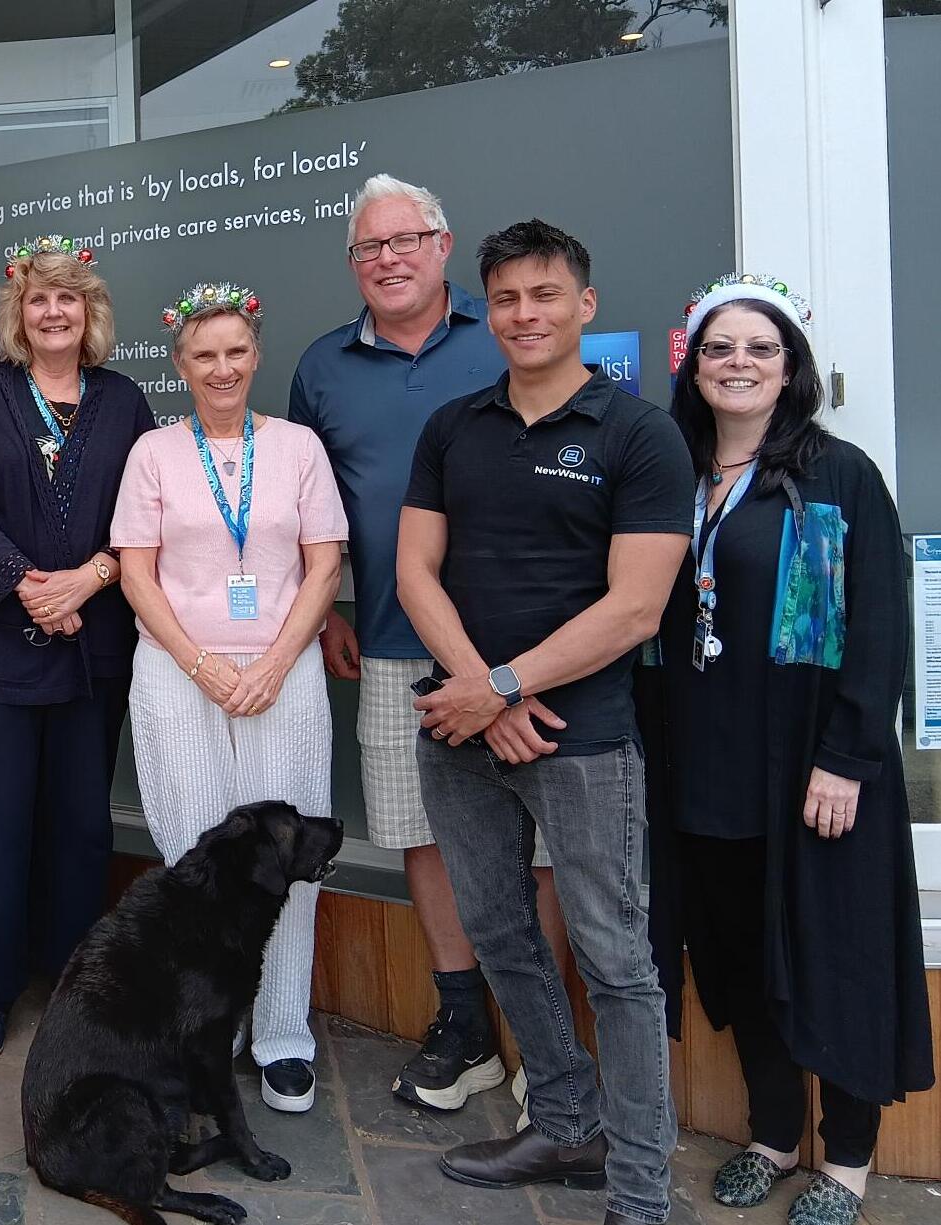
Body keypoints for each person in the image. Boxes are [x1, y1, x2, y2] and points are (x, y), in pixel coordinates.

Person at [396, 220, 692, 1225]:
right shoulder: (452, 427)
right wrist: (482, 692)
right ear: (489, 309)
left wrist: (508, 687)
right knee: (498, 933)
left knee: (616, 962)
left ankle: (642, 1192)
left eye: (545, 294)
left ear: (584, 305)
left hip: (584, 737)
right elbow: (412, 572)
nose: (526, 314)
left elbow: (635, 607)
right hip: (460, 727)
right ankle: (566, 1126)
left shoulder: (638, 433)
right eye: (509, 298)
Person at [646, 275, 933, 1225]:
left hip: (814, 768)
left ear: (789, 368)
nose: (738, 364)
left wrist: (848, 757)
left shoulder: (835, 471)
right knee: (734, 955)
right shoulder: (669, 471)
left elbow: (879, 626)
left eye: (759, 349)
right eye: (720, 347)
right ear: (692, 363)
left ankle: (846, 1161)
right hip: (705, 767)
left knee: (832, 954)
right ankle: (772, 1133)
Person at [290, 173, 569, 1114]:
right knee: (419, 833)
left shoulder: (503, 339)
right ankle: (466, 1026)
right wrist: (329, 606)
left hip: (522, 647)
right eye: (369, 247)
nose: (389, 258)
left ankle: (545, 1049)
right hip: (391, 641)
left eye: (406, 240)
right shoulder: (321, 365)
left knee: (536, 845)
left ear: (444, 246)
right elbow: (312, 507)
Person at [113, 281, 348, 1115]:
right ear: (180, 363)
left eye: (235, 352)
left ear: (255, 355)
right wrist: (201, 661)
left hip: (282, 676)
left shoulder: (296, 447)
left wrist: (277, 658)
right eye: (203, 354)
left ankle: (283, 1033)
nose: (221, 368)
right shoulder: (151, 452)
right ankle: (205, 1025)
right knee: (196, 862)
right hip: (178, 675)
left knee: (286, 860)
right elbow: (135, 570)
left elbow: (323, 564)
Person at [0, 236, 154, 1063]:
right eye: (39, 299)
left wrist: (91, 577)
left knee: (80, 827)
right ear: (18, 313)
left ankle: (72, 989)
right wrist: (26, 580)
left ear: (90, 312)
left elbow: (146, 516)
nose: (54, 312)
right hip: (1, 647)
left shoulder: (123, 400)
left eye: (69, 299)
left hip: (93, 651)